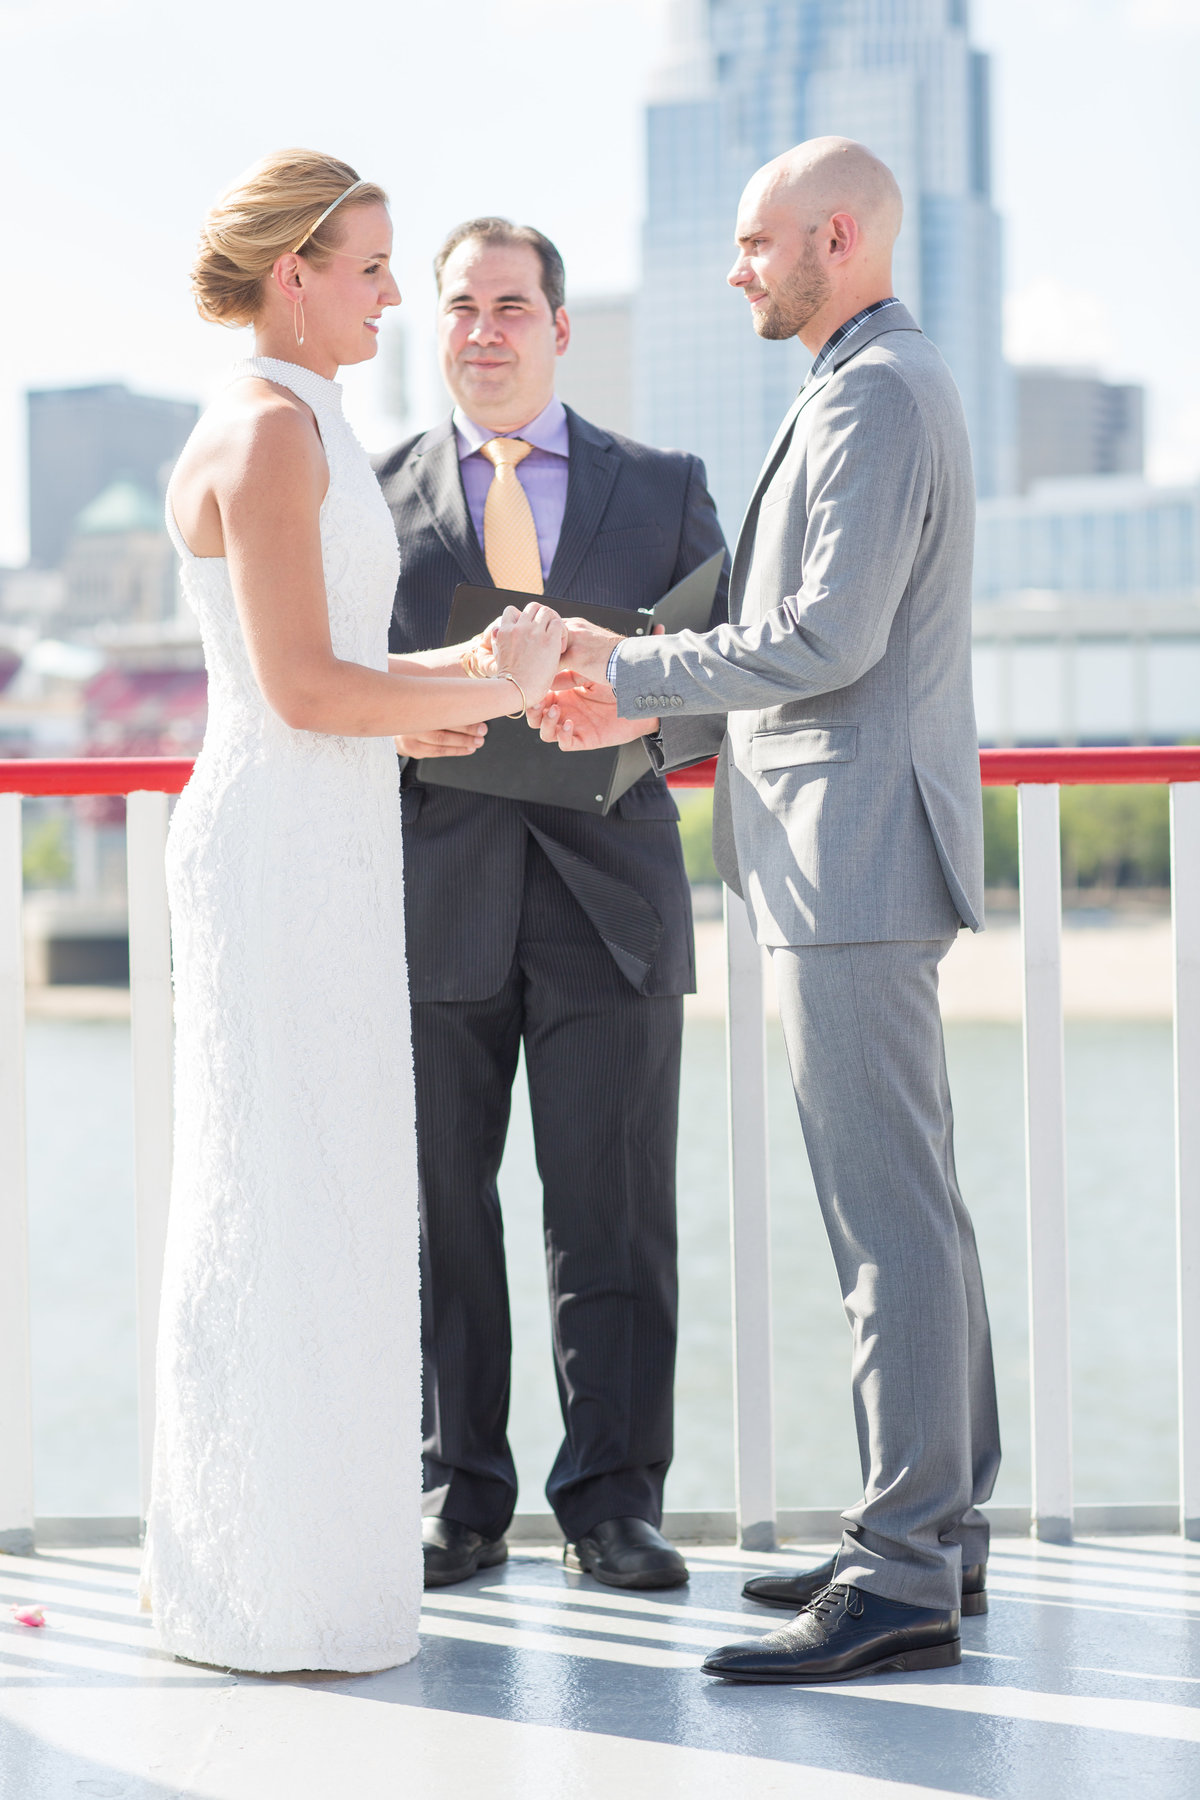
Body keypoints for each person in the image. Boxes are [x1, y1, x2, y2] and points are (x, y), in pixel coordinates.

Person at [532, 137, 1001, 1682]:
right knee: (912, 1212)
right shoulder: (870, 376)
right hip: (844, 851)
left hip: (852, 858)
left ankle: (905, 1569)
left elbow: (823, 638)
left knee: (887, 1230)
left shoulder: (872, 391)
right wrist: (650, 713)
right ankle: (937, 1527)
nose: (738, 267)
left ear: (840, 236)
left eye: (756, 244)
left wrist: (630, 674)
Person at [141, 150, 562, 1675]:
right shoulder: (264, 431)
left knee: (338, 1188)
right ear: (293, 274)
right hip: (275, 848)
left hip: (329, 833)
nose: (398, 299)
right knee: (284, 1188)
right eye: (375, 269)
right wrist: (482, 685)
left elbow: (331, 682)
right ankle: (262, 1585)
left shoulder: (308, 419)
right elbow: (302, 687)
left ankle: (314, 1563)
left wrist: (448, 696)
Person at [374, 217, 728, 1592]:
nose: (484, 331)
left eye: (512, 305)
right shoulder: (373, 489)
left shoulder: (666, 484)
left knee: (613, 1213)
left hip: (613, 898)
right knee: (435, 1210)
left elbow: (715, 695)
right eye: (460, 306)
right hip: (435, 890)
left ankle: (615, 1504)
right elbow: (342, 680)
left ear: (561, 328)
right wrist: (410, 727)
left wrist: (629, 712)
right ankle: (458, 1494)